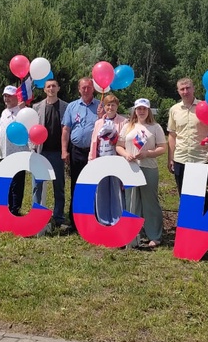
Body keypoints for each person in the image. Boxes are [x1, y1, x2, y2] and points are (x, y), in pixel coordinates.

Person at [116, 98, 167, 248]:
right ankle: (133, 233)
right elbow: (119, 146)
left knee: (150, 202)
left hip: (148, 168)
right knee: (131, 201)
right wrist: (126, 155)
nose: (141, 111)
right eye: (139, 109)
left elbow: (162, 148)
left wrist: (148, 153)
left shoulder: (155, 127)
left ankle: (154, 236)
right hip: (131, 168)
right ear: (135, 110)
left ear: (149, 110)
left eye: (144, 109)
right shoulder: (128, 126)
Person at [167, 78, 208, 210]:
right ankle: (187, 229)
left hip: (201, 159)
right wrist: (170, 158)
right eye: (182, 89)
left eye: (188, 88)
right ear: (178, 91)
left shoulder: (205, 107)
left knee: (204, 198)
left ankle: (204, 229)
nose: (185, 91)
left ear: (194, 89)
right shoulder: (174, 110)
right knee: (184, 197)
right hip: (181, 159)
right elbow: (172, 135)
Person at [61, 77, 101, 228]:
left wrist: (102, 115)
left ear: (93, 89)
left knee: (93, 184)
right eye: (83, 87)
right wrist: (64, 150)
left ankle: (93, 217)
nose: (86, 90)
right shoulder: (72, 107)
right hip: (76, 151)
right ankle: (75, 219)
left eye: (89, 87)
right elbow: (66, 129)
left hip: (94, 152)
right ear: (79, 89)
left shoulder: (100, 106)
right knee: (76, 184)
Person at [33, 79, 69, 225]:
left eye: (54, 86)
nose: (51, 88)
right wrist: (33, 148)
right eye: (48, 86)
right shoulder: (36, 107)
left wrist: (66, 151)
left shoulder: (66, 107)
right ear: (44, 89)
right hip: (41, 151)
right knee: (37, 185)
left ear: (58, 88)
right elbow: (32, 128)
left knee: (58, 186)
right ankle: (37, 213)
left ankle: (58, 216)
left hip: (57, 153)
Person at [89, 94, 128, 226]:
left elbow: (125, 143)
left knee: (116, 191)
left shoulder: (124, 122)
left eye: (113, 105)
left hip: (117, 161)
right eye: (107, 105)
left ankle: (117, 220)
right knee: (101, 190)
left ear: (117, 106)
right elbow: (94, 143)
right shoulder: (98, 123)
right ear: (104, 107)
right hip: (101, 161)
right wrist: (91, 161)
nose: (110, 107)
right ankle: (103, 220)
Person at [0, 85, 29, 215]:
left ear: (16, 96)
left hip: (19, 153)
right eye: (5, 96)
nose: (6, 98)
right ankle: (8, 207)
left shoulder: (22, 111)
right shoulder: (3, 112)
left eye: (9, 95)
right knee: (7, 182)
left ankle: (15, 209)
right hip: (4, 153)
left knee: (17, 184)